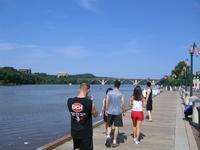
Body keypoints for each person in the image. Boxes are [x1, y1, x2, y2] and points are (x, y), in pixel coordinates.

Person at [67, 83, 98, 150]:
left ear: (79, 89)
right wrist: (92, 102)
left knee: (76, 148)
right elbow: (95, 115)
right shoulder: (89, 102)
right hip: (86, 133)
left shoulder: (69, 101)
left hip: (74, 132)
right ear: (88, 90)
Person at [105, 80, 126, 148]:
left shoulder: (109, 93)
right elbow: (122, 104)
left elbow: (107, 102)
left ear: (114, 85)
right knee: (116, 127)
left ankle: (108, 136)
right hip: (118, 112)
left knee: (109, 125)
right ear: (119, 86)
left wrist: (106, 110)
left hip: (110, 112)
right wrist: (124, 111)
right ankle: (114, 142)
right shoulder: (121, 94)